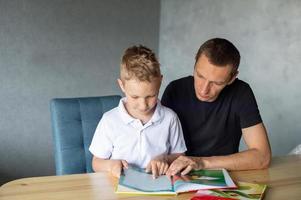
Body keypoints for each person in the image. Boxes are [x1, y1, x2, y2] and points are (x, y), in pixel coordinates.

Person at [161, 38, 271, 176]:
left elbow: (262, 157)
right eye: (200, 76)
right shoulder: (175, 90)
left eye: (217, 83)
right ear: (195, 63)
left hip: (222, 177)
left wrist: (201, 163)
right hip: (176, 175)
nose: (204, 90)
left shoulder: (241, 93)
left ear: (232, 78)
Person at [89, 45, 187, 178]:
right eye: (135, 97)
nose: (143, 105)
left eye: (151, 96)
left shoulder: (170, 118)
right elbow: (96, 163)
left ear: (160, 82)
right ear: (122, 85)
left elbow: (180, 156)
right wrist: (111, 165)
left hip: (157, 186)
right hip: (118, 189)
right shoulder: (109, 120)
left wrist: (164, 159)